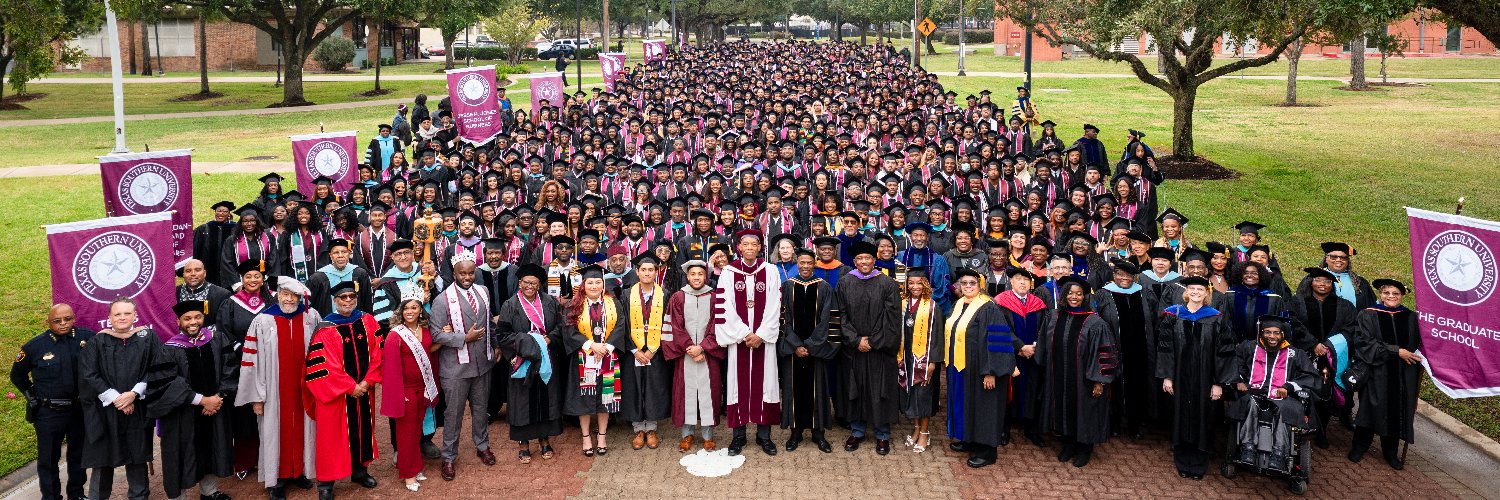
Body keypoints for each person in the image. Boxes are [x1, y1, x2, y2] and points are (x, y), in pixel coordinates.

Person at [238, 278, 320, 499]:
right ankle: (277, 479)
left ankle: (300, 471)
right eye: (285, 294)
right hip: (273, 392)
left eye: (294, 295)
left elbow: (323, 353)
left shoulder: (311, 317)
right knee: (274, 432)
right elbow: (250, 360)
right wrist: (256, 397)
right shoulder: (263, 320)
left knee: (306, 429)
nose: (289, 299)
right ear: (277, 294)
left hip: (305, 389)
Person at [78, 298, 163, 500]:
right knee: (103, 459)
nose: (122, 317)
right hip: (105, 410)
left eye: (127, 313)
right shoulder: (98, 342)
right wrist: (117, 398)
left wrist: (134, 393)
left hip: (138, 407)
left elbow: (159, 367)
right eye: (117, 314)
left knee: (137, 456)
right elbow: (89, 374)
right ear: (109, 318)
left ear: (135, 316)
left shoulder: (148, 338)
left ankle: (139, 496)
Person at [305, 281, 384, 497]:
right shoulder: (325, 328)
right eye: (343, 297)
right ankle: (326, 484)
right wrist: (350, 387)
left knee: (363, 431)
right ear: (335, 300)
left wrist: (367, 382)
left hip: (364, 392)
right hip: (337, 396)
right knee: (331, 438)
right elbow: (323, 366)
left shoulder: (368, 321)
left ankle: (359, 471)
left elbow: (378, 354)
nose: (347, 300)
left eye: (351, 296)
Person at [1224, 315, 1320, 491]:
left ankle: (1279, 453)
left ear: (1283, 334)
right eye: (1267, 332)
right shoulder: (1249, 347)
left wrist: (1289, 387)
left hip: (1282, 397)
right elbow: (1234, 364)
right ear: (1261, 332)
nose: (1272, 336)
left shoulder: (1294, 354)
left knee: (1282, 409)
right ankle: (1247, 448)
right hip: (1254, 393)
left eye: (1276, 332)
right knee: (1249, 404)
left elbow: (1311, 377)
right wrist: (1239, 381)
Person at [153, 300, 236, 500]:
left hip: (215, 407)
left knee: (211, 448)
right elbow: (167, 384)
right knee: (179, 455)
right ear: (178, 322)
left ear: (203, 318)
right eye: (187, 318)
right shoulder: (169, 349)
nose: (193, 322)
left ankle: (208, 492)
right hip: (182, 415)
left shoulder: (217, 339)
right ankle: (179, 496)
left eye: (197, 317)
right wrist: (201, 400)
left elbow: (231, 369)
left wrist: (217, 397)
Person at [11, 304, 94, 500]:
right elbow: (17, 375)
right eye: (57, 321)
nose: (63, 324)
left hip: (78, 409)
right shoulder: (34, 347)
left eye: (67, 319)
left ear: (74, 318)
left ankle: (77, 494)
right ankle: (50, 497)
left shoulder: (88, 338)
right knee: (48, 459)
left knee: (78, 455)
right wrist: (33, 395)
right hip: (48, 412)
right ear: (48, 322)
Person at [1156, 276, 1234, 480]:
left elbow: (1223, 351)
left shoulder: (1216, 317)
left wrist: (1218, 383)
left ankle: (1199, 464)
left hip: (1205, 378)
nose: (1196, 293)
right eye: (1192, 289)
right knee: (1180, 416)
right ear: (1186, 291)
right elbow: (1165, 347)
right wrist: (1167, 376)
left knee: (1203, 418)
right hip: (1179, 376)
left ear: (1206, 293)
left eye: (1200, 290)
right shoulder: (1173, 315)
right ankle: (1182, 461)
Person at [715, 230, 785, 456]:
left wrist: (761, 334)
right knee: (737, 386)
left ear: (759, 247)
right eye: (745, 244)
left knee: (766, 386)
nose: (750, 248)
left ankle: (764, 436)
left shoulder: (771, 271)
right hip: (740, 341)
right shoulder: (728, 272)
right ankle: (739, 437)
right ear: (739, 247)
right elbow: (724, 306)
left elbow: (776, 303)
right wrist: (745, 334)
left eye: (754, 244)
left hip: (764, 341)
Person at [1036, 276, 1118, 468]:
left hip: (1084, 380)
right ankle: (1068, 445)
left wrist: (1099, 381)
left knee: (1084, 413)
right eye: (1070, 293)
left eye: (1079, 294)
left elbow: (1104, 354)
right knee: (1062, 409)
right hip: (1058, 376)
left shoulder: (1095, 322)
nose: (1074, 297)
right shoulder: (1054, 316)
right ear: (1063, 295)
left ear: (1084, 296)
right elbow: (1043, 345)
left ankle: (1084, 449)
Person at [945, 268, 1021, 468]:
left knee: (985, 408)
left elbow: (997, 341)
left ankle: (987, 452)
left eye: (972, 283)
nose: (968, 286)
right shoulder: (958, 304)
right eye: (964, 283)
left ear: (981, 286)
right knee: (967, 404)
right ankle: (968, 438)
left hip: (982, 370)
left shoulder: (989, 308)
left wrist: (991, 372)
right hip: (961, 368)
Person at [429, 257, 498, 480]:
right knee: (454, 414)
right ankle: (448, 456)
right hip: (456, 368)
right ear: (454, 273)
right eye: (462, 274)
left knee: (481, 409)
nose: (467, 278)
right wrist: (463, 338)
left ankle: (482, 445)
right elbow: (436, 335)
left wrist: (495, 346)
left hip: (482, 364)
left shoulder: (484, 291)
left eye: (470, 273)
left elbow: (490, 323)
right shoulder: (442, 300)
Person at [834, 240, 902, 455]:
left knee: (880, 389)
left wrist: (872, 341)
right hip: (854, 349)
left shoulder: (887, 283)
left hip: (879, 349)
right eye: (860, 258)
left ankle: (882, 434)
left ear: (875, 260)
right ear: (854, 261)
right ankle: (857, 431)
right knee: (855, 389)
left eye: (868, 258)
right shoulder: (845, 282)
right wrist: (855, 340)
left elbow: (892, 318)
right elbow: (840, 315)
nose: (864, 262)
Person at [494, 264, 566, 462]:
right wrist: (525, 346)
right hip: (522, 359)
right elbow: (502, 334)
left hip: (547, 357)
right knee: (522, 400)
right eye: (526, 282)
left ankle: (544, 440)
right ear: (519, 283)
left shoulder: (550, 302)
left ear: (540, 284)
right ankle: (523, 442)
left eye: (534, 283)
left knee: (545, 397)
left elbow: (561, 327)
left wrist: (549, 340)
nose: (529, 286)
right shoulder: (510, 305)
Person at [1349, 279, 1422, 470]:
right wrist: (1396, 351)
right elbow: (1364, 342)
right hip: (1377, 371)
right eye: (1386, 293)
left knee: (1396, 410)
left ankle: (1390, 452)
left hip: (1403, 374)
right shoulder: (1367, 315)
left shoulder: (1411, 317)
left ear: (1402, 296)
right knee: (1370, 408)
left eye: (1395, 294)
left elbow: (1420, 344)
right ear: (1380, 294)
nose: (1390, 296)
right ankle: (1359, 446)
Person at [1288, 266, 1357, 448]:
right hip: (1303, 356)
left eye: (1327, 282)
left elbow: (1349, 329)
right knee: (1301, 391)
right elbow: (1293, 324)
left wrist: (1328, 345)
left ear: (1332, 285)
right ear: (1311, 282)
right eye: (1318, 280)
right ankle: (1299, 429)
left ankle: (1321, 431)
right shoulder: (1297, 302)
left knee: (1325, 394)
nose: (1322, 284)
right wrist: (1312, 344)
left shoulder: (1344, 306)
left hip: (1330, 357)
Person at [776, 250, 837, 454]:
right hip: (793, 350)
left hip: (815, 351)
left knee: (817, 390)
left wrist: (810, 345)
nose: (805, 266)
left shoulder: (824, 287)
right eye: (801, 262)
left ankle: (818, 433)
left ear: (814, 264)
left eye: (809, 263)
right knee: (793, 390)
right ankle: (796, 432)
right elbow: (782, 319)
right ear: (797, 263)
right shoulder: (787, 286)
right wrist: (796, 345)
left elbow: (828, 320)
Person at [563, 264, 627, 456]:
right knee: (585, 399)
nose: (594, 286)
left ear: (603, 283)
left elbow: (621, 326)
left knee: (605, 398)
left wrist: (606, 347)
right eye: (590, 282)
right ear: (583, 284)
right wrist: (591, 345)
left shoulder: (613, 303)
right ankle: (585, 437)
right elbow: (569, 331)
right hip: (584, 358)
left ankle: (602, 436)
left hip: (608, 357)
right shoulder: (573, 305)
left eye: (598, 282)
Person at [664, 259, 727, 452]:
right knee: (686, 393)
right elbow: (674, 327)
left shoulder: (716, 297)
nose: (697, 277)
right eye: (693, 274)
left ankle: (708, 435)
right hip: (686, 355)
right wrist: (690, 348)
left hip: (709, 355)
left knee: (710, 393)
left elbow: (719, 325)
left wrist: (704, 347)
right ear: (687, 276)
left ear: (706, 276)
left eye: (700, 274)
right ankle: (687, 434)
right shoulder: (678, 297)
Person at [1091, 261, 1159, 440]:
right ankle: (1113, 421)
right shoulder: (1103, 294)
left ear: (1134, 276)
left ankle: (1135, 423)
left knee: (1138, 385)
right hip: (1114, 350)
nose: (1124, 278)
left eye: (1129, 275)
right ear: (1114, 275)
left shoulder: (1144, 293)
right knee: (1114, 384)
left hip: (1140, 350)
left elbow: (1153, 319)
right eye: (1120, 274)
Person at [617, 254, 675, 450]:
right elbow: (621, 324)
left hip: (655, 351)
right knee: (634, 387)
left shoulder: (665, 294)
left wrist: (652, 349)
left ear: (656, 272)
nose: (647, 273)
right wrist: (634, 349)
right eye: (644, 270)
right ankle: (637, 429)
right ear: (637, 271)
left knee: (653, 387)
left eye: (651, 270)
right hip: (632, 351)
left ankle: (651, 428)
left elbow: (668, 324)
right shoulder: (626, 295)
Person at [382, 299, 438, 490]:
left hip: (421, 387)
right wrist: (398, 394)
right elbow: (389, 368)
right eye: (406, 308)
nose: (410, 311)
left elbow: (428, 349)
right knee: (405, 433)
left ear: (420, 310)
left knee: (416, 431)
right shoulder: (394, 335)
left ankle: (416, 467)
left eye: (414, 307)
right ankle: (407, 474)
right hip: (404, 390)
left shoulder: (425, 330)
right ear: (401, 311)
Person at [993, 267, 1049, 446]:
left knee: (1032, 388)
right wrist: (1019, 346)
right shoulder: (1000, 302)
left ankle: (1031, 429)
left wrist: (1035, 347)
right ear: (1011, 282)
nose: (1023, 282)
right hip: (1009, 355)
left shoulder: (1038, 304)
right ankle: (1004, 428)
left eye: (1026, 279)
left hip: (1033, 356)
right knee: (1007, 390)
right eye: (1018, 279)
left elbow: (1045, 330)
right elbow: (999, 329)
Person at [897, 270, 945, 454]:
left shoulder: (933, 307)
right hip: (906, 358)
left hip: (924, 360)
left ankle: (925, 432)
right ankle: (916, 428)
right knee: (911, 393)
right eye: (911, 283)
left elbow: (938, 338)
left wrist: (932, 362)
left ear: (925, 284)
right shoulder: (902, 305)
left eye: (919, 283)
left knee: (923, 396)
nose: (915, 287)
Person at [478, 237, 520, 422]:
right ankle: (491, 408)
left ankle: (513, 406)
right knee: (491, 367)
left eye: (497, 253)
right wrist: (490, 318)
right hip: (486, 327)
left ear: (503, 254)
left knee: (511, 365)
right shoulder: (478, 273)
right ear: (485, 254)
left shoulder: (513, 271)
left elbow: (517, 296)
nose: (493, 256)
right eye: (490, 253)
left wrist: (503, 316)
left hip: (509, 325)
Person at [1296, 242, 1375, 311]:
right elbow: (1300, 303)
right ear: (1326, 259)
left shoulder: (1360, 282)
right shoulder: (1313, 278)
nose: (1338, 260)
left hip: (1354, 326)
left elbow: (1371, 308)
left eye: (1343, 257)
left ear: (1348, 261)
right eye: (1333, 257)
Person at [307, 238, 374, 315]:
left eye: (344, 252)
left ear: (349, 254)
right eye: (336, 253)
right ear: (330, 255)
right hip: (329, 323)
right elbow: (311, 306)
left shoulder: (359, 274)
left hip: (356, 322)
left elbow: (367, 302)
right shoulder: (318, 278)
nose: (340, 256)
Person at [194, 201, 239, 287]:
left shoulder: (235, 229)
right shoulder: (204, 228)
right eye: (218, 211)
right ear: (215, 212)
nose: (221, 213)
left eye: (224, 211)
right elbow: (195, 248)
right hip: (208, 267)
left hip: (229, 267)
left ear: (229, 214)